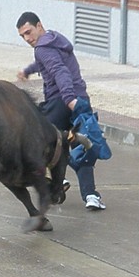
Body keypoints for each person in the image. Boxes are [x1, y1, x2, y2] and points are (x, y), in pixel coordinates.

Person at [16, 11, 105, 210]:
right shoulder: (54, 41)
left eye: (29, 32)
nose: (27, 38)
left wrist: (68, 99)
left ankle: (57, 181)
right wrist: (28, 71)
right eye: (23, 36)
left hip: (62, 101)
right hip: (81, 98)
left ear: (39, 25)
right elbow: (47, 63)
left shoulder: (42, 48)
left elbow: (59, 71)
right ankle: (91, 196)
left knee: (42, 139)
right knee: (80, 146)